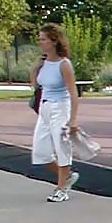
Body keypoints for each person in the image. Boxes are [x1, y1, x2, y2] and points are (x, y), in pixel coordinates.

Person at [30, 23, 81, 203]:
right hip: (45, 108)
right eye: (39, 39)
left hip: (60, 107)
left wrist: (73, 120)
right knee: (40, 153)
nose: (40, 42)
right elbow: (37, 86)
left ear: (53, 41)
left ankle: (61, 189)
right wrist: (35, 68)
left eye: (43, 39)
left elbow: (73, 92)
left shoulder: (64, 64)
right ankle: (67, 176)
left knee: (61, 148)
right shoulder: (43, 63)